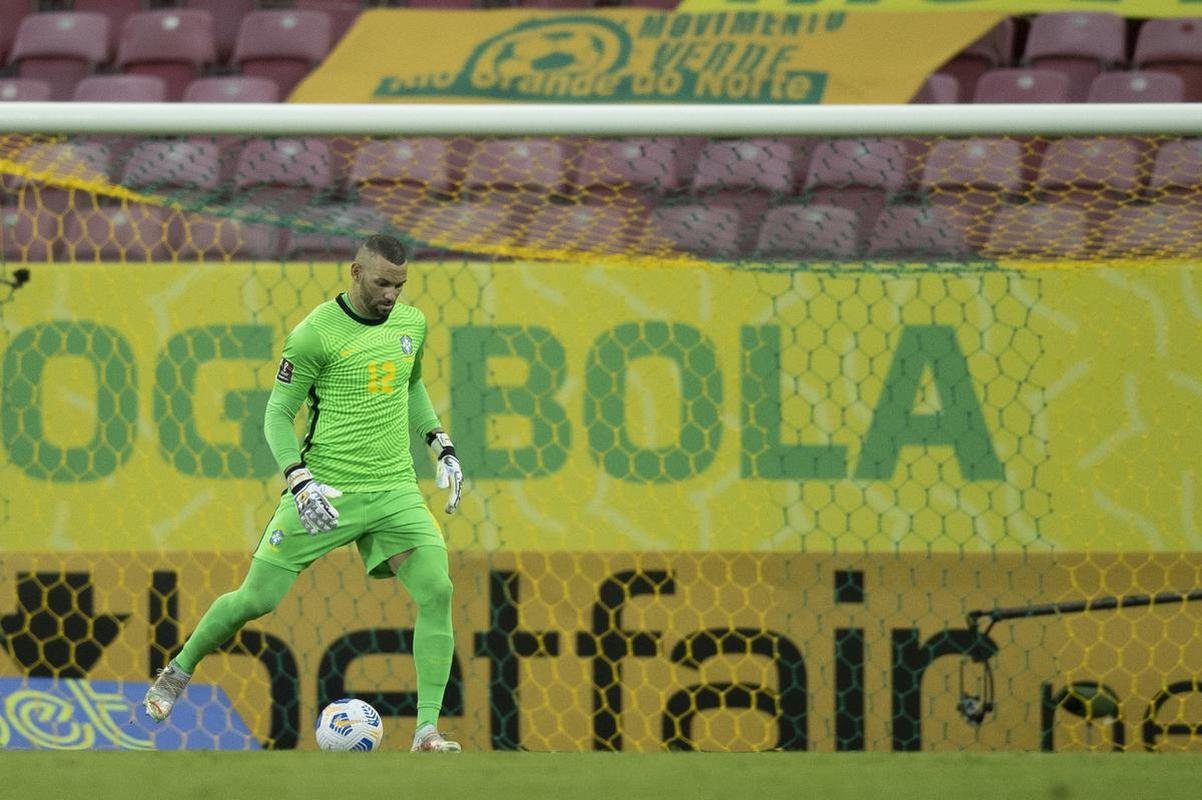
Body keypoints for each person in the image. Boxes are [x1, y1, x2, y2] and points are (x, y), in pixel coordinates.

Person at [143, 234, 465, 753]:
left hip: (394, 490)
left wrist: (440, 442)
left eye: (400, 285)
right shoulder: (314, 334)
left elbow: (411, 384)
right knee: (257, 600)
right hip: (324, 492)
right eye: (382, 283)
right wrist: (299, 479)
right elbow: (276, 413)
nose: (391, 295)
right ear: (355, 273)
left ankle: (426, 730)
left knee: (438, 591)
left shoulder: (412, 323)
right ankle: (177, 671)